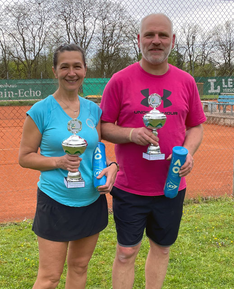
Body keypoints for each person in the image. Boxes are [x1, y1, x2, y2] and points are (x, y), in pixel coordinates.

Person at [100, 13, 206, 289]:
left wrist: (188, 151)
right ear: (138, 40)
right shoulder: (120, 80)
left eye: (162, 36)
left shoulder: (186, 81)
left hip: (171, 186)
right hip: (130, 187)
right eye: (149, 35)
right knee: (126, 252)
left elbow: (196, 126)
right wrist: (131, 134)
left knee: (161, 249)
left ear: (172, 40)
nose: (155, 41)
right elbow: (103, 127)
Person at [18, 43, 118, 289]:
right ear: (55, 70)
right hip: (56, 201)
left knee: (80, 267)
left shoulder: (93, 110)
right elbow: (25, 157)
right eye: (65, 67)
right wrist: (58, 161)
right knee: (49, 277)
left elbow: (95, 152)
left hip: (91, 201)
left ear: (85, 70)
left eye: (77, 66)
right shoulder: (40, 111)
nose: (71, 72)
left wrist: (112, 166)